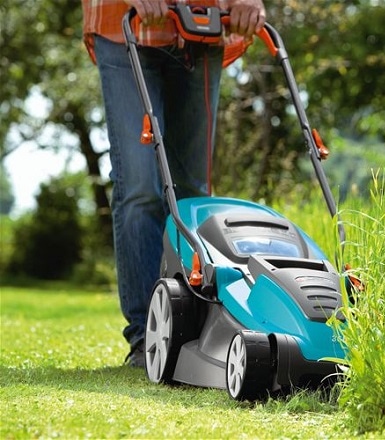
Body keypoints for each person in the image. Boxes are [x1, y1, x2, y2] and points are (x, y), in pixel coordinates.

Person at [81, 0, 266, 367]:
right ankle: (145, 335)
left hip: (206, 23)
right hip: (123, 23)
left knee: (193, 195)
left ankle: (194, 330)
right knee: (139, 186)